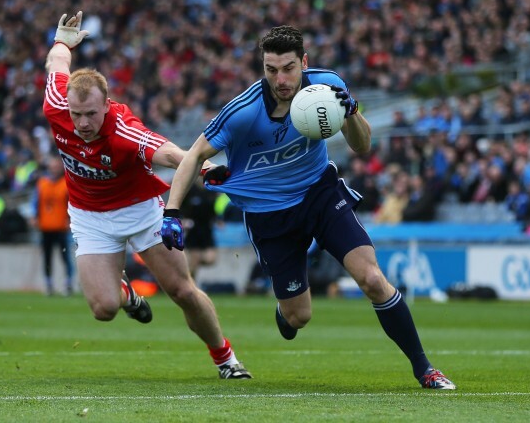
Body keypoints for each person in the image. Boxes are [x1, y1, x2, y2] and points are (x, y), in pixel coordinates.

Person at [162, 25, 455, 389]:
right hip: (269, 215)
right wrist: (171, 212)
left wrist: (352, 114)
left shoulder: (328, 86)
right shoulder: (242, 110)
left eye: (287, 68)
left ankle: (425, 369)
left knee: (372, 279)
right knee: (298, 317)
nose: (280, 79)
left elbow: (361, 145)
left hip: (320, 194)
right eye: (271, 70)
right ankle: (286, 313)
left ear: (304, 62)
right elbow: (193, 156)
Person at [42, 11, 251, 379]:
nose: (84, 124)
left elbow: (169, 153)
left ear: (106, 104)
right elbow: (57, 62)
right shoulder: (56, 105)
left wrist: (202, 169)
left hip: (141, 211)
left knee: (182, 291)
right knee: (103, 308)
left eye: (91, 113)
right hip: (90, 217)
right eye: (77, 115)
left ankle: (225, 358)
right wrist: (62, 41)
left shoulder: (123, 130)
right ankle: (129, 296)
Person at [30, 155, 75, 296]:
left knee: (65, 257)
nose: (54, 169)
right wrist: (33, 216)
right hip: (46, 227)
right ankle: (48, 283)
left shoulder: (66, 183)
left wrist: (71, 220)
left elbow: (72, 203)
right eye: (52, 166)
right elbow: (35, 202)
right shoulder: (42, 183)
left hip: (62, 227)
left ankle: (68, 283)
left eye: (57, 166)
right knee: (47, 257)